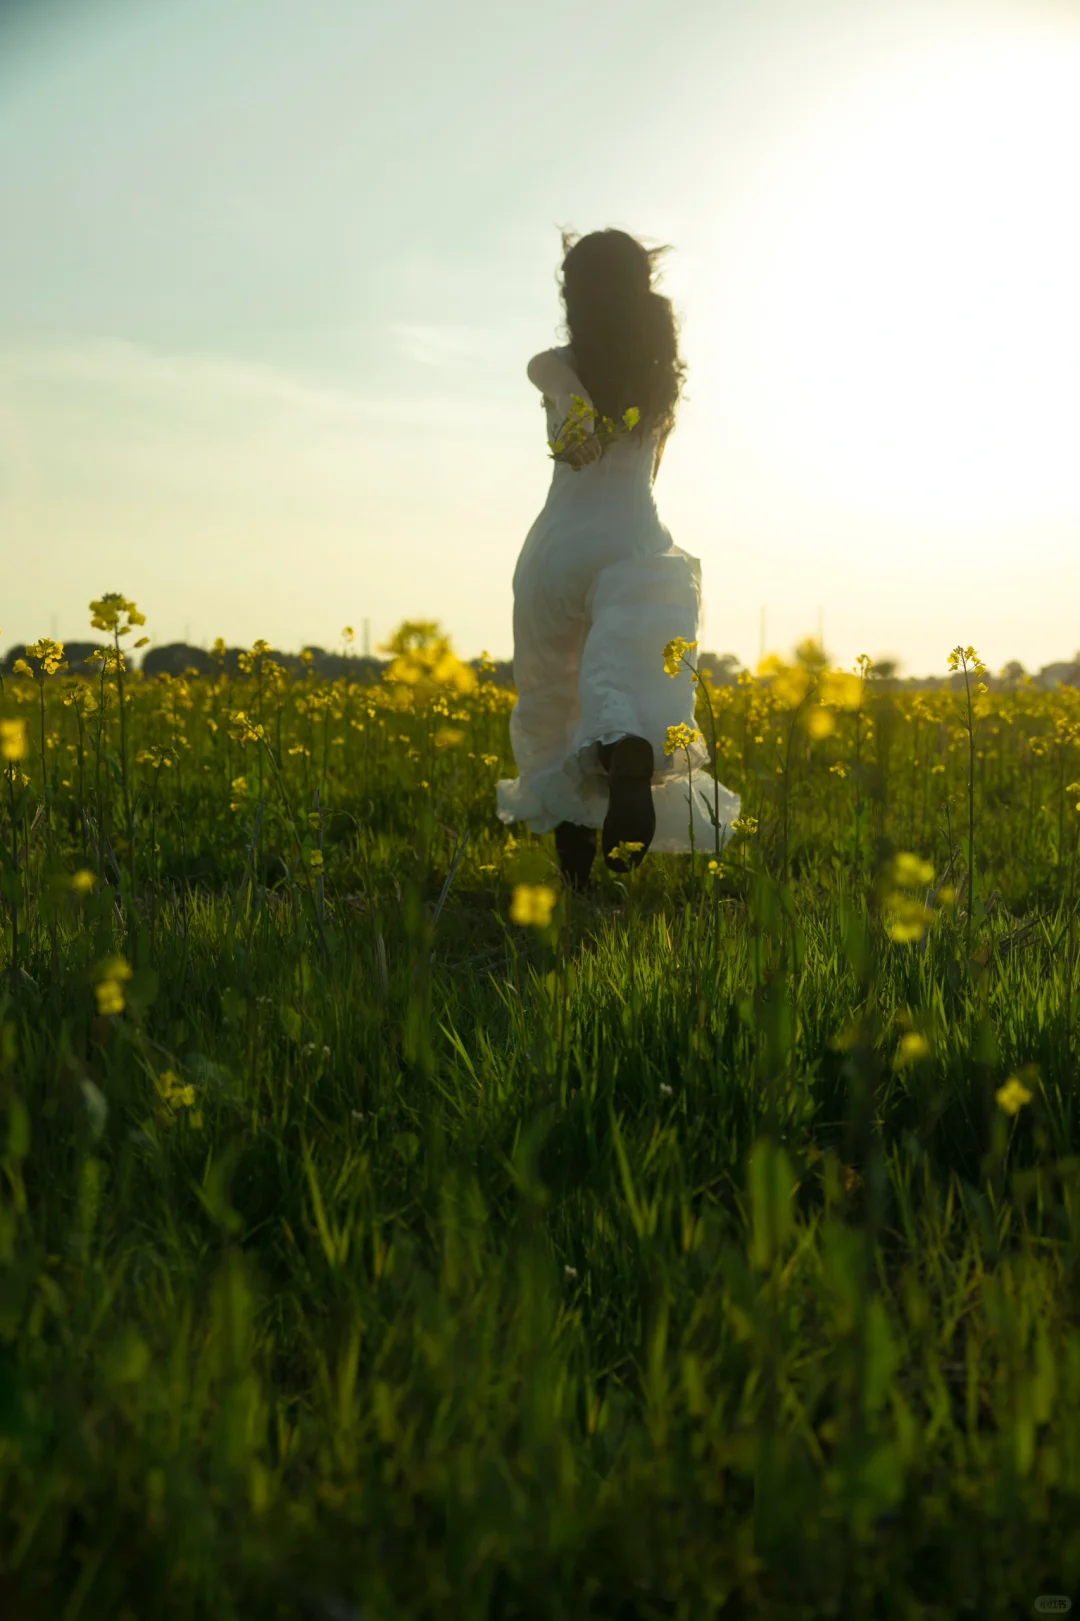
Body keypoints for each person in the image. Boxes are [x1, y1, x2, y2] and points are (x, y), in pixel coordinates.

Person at [496, 227, 741, 891]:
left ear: (573, 294)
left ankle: (576, 882)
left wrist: (570, 405)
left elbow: (551, 384)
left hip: (559, 549)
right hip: (636, 546)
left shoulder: (557, 362)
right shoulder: (660, 380)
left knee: (553, 702)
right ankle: (626, 754)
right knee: (628, 687)